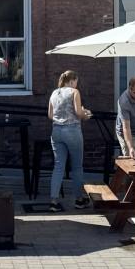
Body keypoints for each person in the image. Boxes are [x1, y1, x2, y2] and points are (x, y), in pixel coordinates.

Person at [48, 69, 93, 212]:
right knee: (77, 167)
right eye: (76, 82)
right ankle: (79, 200)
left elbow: (50, 115)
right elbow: (79, 113)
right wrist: (86, 114)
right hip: (72, 130)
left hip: (56, 131)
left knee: (59, 166)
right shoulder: (74, 92)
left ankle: (53, 201)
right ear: (73, 81)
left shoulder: (54, 93)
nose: (76, 84)